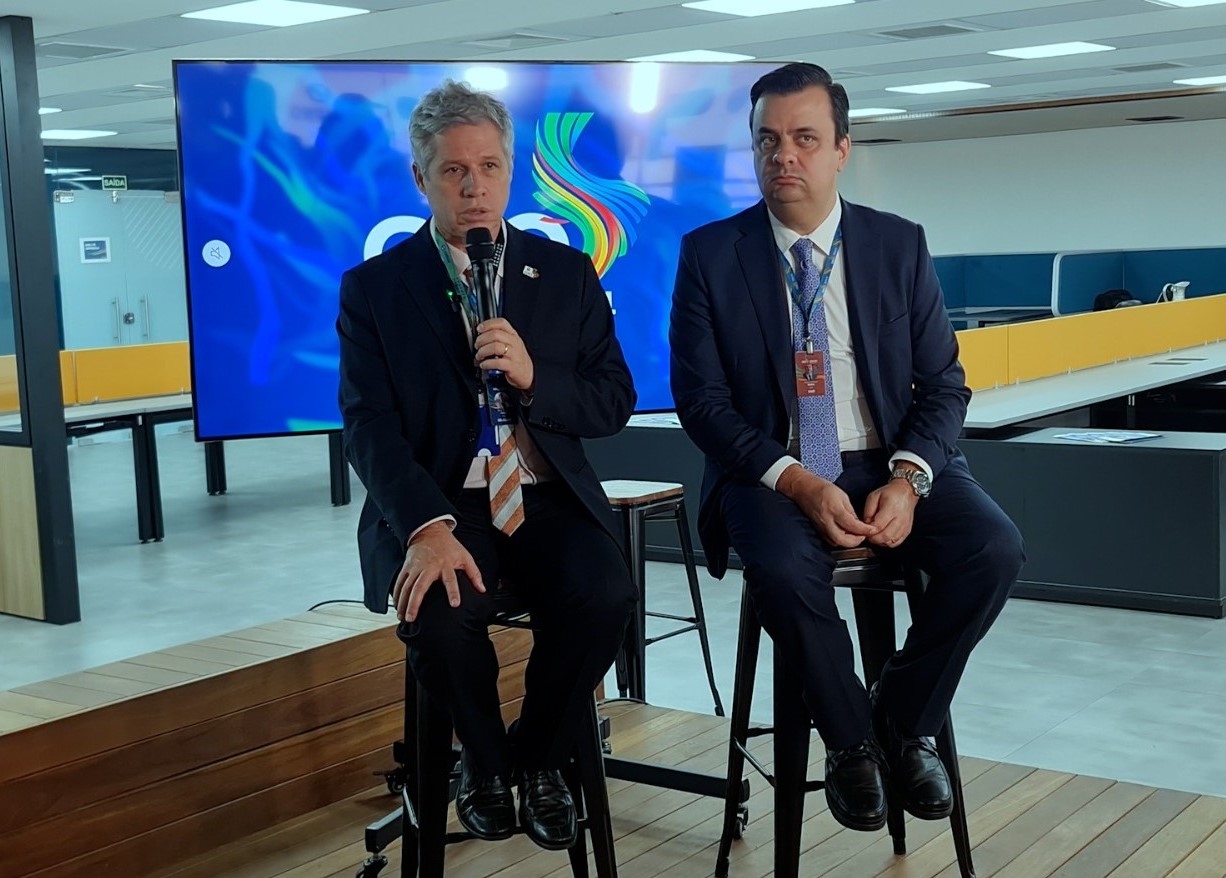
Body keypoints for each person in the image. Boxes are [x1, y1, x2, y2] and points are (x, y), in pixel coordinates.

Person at [669, 63, 1024, 832]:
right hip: (768, 467)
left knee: (993, 548)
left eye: (804, 139)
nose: (783, 157)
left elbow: (944, 386)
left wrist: (907, 479)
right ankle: (850, 742)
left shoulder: (897, 246)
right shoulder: (709, 255)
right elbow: (701, 404)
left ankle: (899, 721)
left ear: (841, 150)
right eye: (767, 141)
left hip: (886, 457)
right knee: (782, 568)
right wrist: (795, 479)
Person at [338, 80, 636, 851]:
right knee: (436, 617)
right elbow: (368, 425)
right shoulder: (374, 289)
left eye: (490, 167)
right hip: (442, 505)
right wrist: (425, 527)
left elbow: (612, 401)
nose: (474, 188)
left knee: (604, 593)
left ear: (512, 172)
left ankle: (531, 760)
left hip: (544, 497)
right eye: (453, 171)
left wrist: (538, 377)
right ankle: (485, 764)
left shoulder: (565, 274)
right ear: (421, 179)